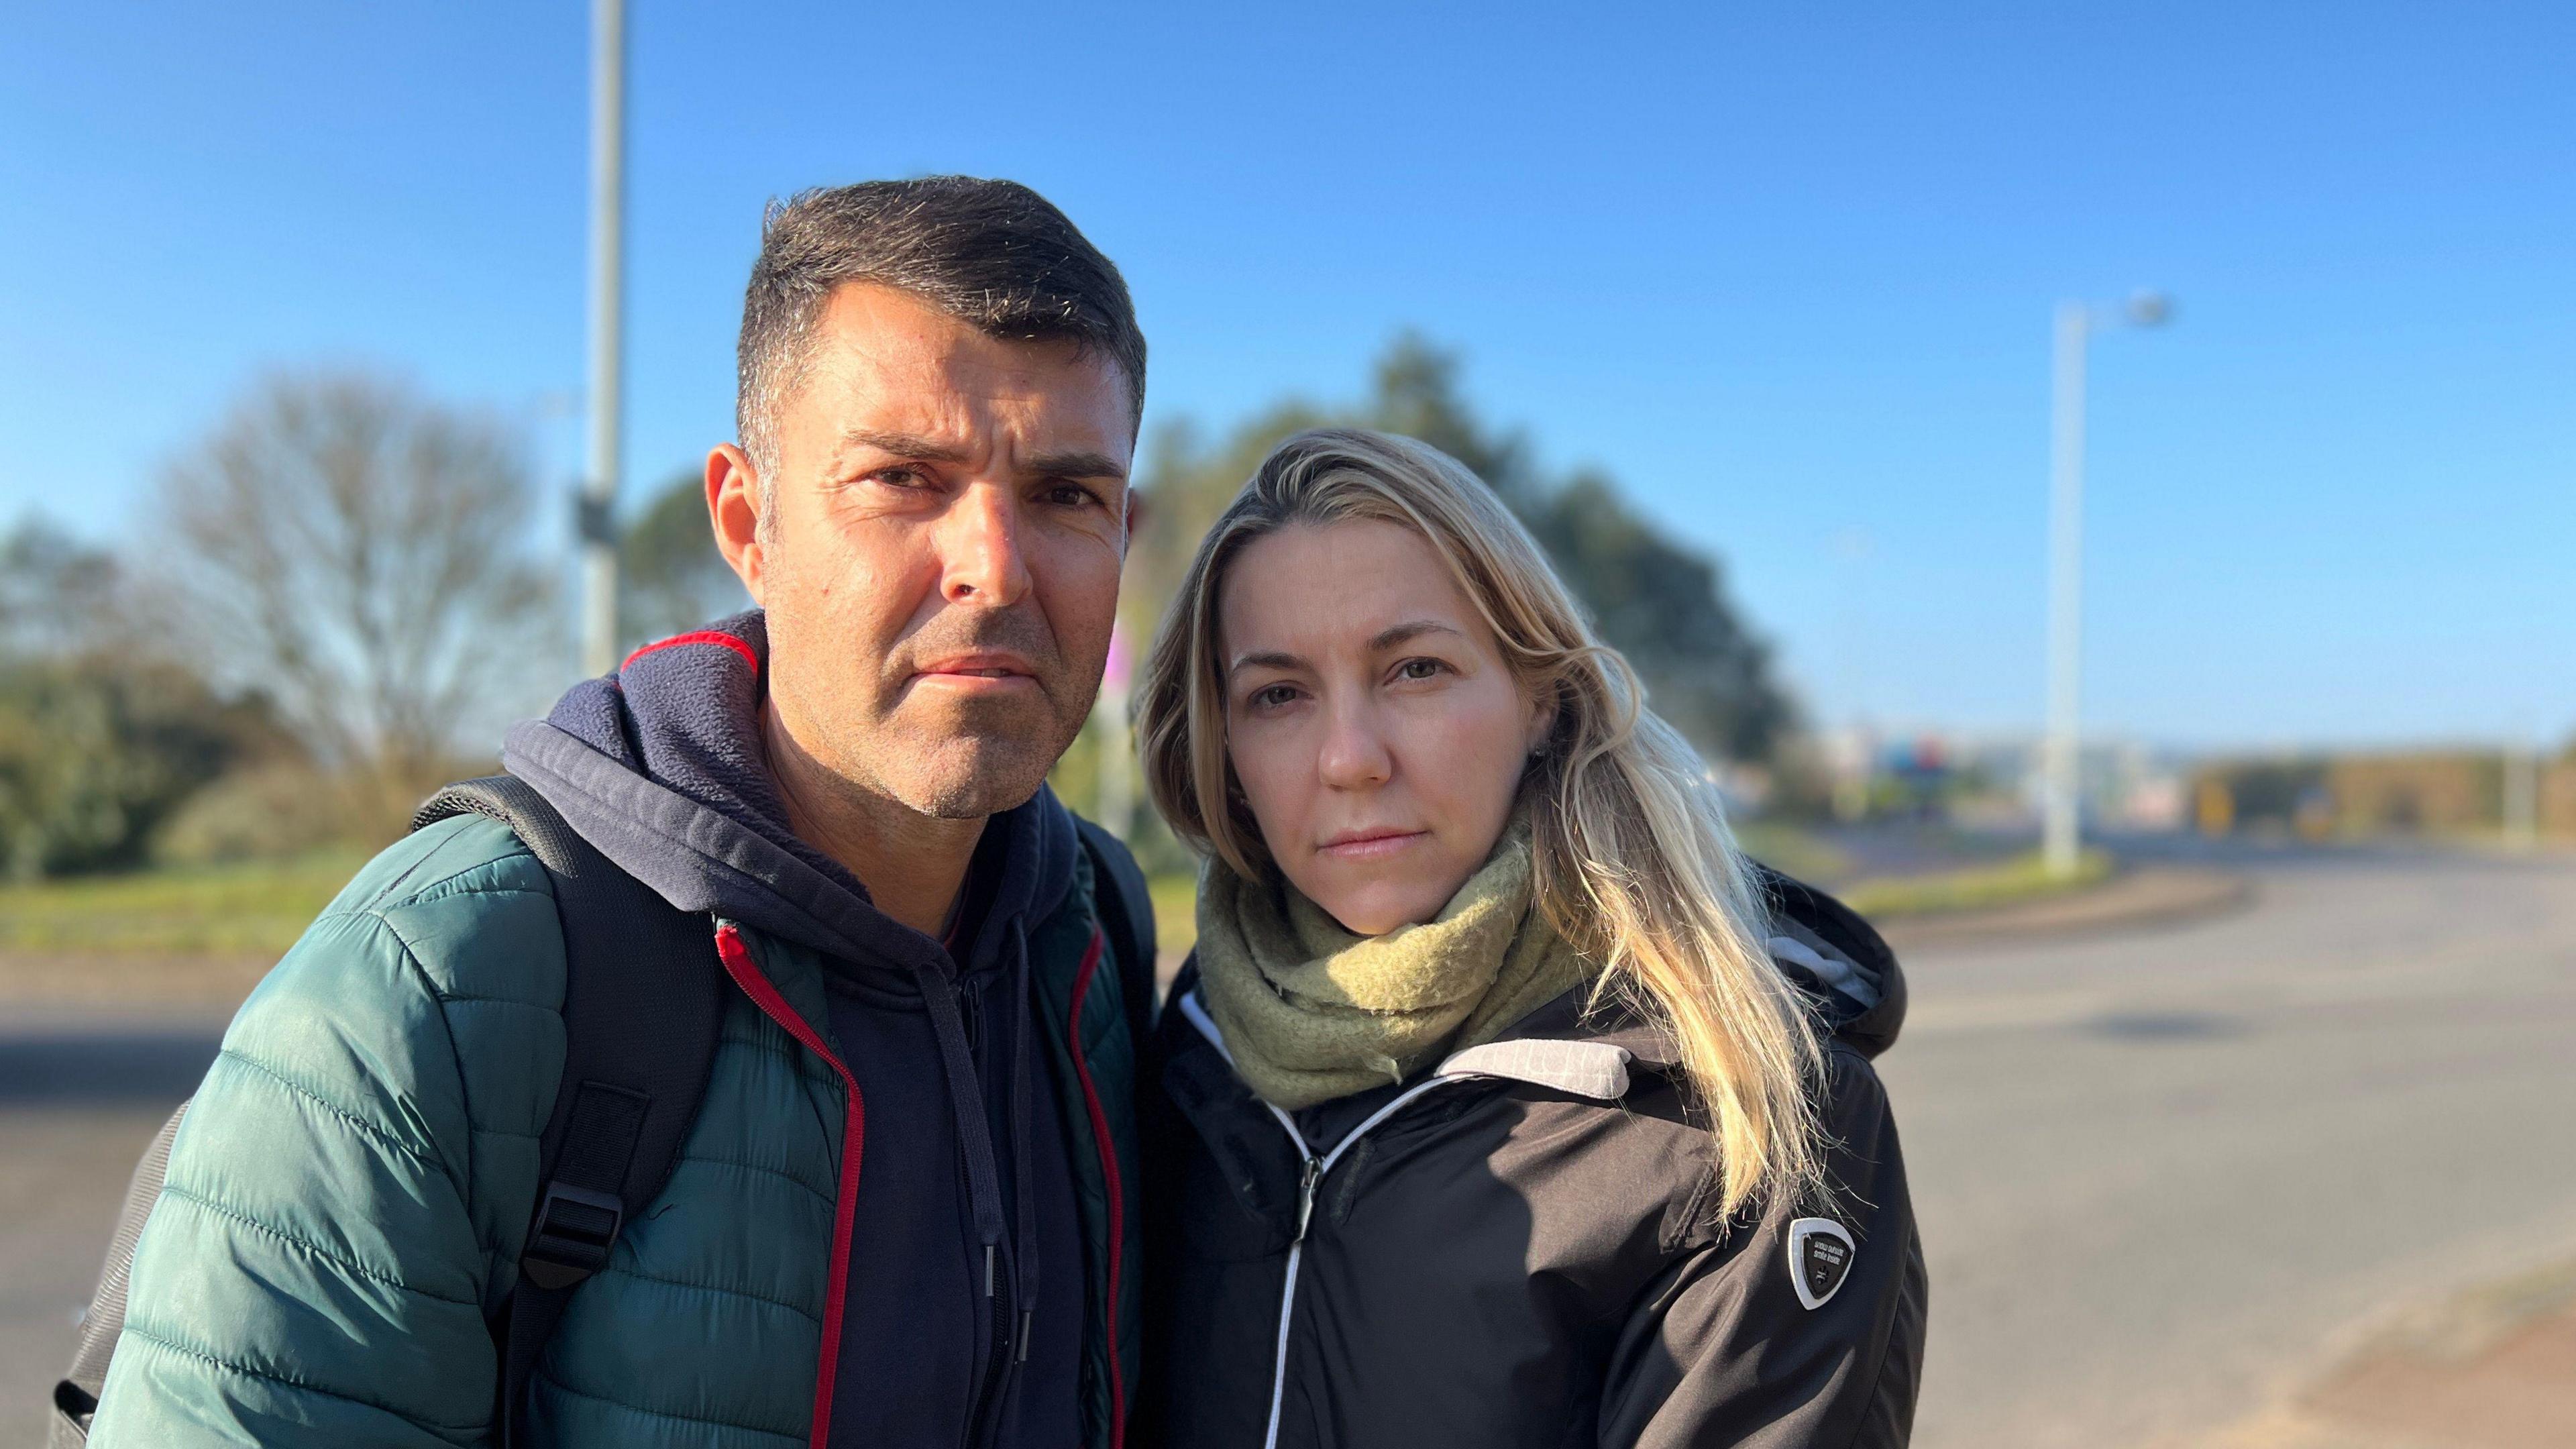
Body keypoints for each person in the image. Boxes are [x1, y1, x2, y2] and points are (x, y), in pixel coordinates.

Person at [90, 177, 1152, 1449]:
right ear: (749, 525)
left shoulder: (1091, 934)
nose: (996, 563)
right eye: (906, 479)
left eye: (1068, 495)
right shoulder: (432, 988)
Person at [1130, 429, 1926, 1448]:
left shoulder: (1746, 1111)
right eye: (1277, 695)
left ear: (1540, 698)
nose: (1349, 759)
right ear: (1223, 745)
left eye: (1415, 669)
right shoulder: (1194, 1041)